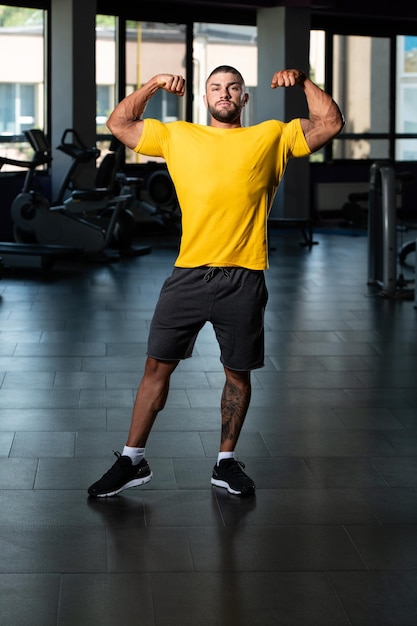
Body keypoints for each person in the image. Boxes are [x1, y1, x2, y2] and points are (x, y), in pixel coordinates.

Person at [88, 65, 344, 498]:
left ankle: (225, 463)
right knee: (155, 368)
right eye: (215, 87)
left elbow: (330, 123)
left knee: (237, 375)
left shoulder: (271, 137)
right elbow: (118, 124)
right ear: (204, 97)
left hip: (244, 277)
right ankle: (132, 459)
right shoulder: (178, 136)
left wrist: (301, 82)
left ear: (244, 97)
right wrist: (152, 84)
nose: (224, 93)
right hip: (188, 274)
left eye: (232, 87)